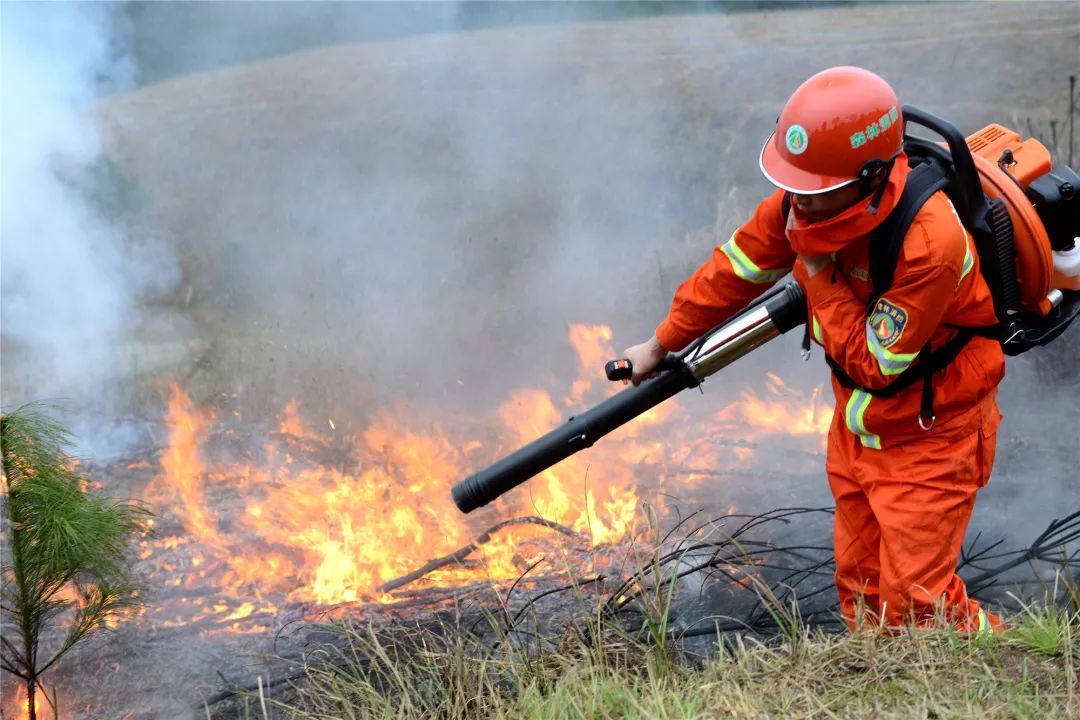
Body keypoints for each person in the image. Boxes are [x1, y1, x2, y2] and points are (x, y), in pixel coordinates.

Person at [622, 66, 1004, 633]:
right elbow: (734, 270)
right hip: (857, 433)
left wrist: (818, 275)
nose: (797, 201)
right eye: (796, 184)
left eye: (815, 189)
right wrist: (660, 343)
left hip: (932, 437)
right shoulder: (807, 204)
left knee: (920, 617)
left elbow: (877, 365)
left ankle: (1003, 662)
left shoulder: (930, 242)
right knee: (864, 598)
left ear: (870, 176)